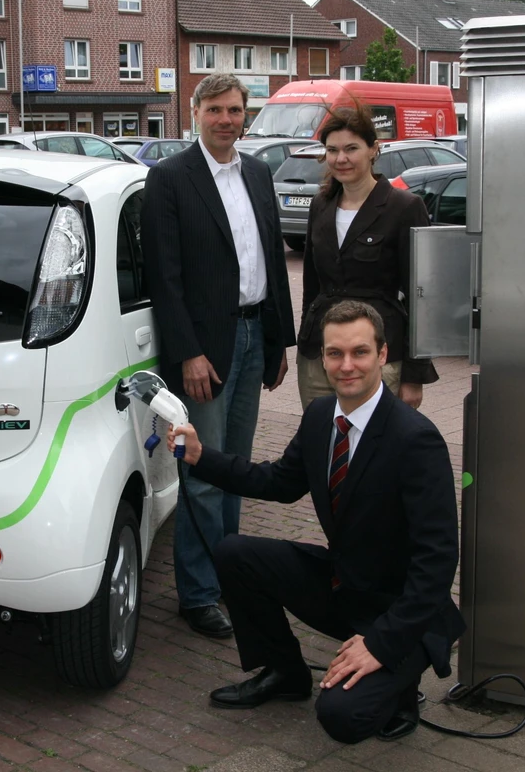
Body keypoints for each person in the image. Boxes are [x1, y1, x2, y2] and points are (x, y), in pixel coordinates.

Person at [168, 300, 464, 744]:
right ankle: (285, 672)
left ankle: (401, 689)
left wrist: (380, 643)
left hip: (401, 609)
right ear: (322, 358)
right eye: (335, 353)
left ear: (382, 354)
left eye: (360, 352)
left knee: (342, 717)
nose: (347, 366)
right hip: (345, 586)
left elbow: (437, 562)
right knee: (235, 553)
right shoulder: (322, 416)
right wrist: (200, 456)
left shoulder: (415, 439)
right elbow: (279, 482)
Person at [141, 73, 296, 639]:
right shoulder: (169, 178)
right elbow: (164, 277)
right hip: (205, 350)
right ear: (196, 112)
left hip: (254, 337)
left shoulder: (257, 173)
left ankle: (229, 574)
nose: (226, 120)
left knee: (236, 469)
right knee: (203, 473)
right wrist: (188, 353)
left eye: (235, 110)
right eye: (215, 110)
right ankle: (199, 593)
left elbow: (271, 261)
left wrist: (279, 340)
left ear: (245, 114)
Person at [297, 106, 438, 411]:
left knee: (374, 438)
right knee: (320, 435)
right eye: (332, 150)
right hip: (320, 355)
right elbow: (312, 286)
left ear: (374, 149)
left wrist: (414, 376)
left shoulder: (404, 207)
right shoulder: (321, 205)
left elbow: (423, 297)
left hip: (378, 357)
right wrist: (305, 342)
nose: (341, 158)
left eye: (351, 149)